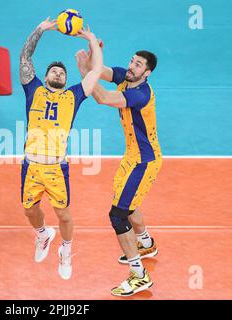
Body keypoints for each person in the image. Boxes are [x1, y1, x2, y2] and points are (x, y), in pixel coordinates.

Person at [19, 17, 103, 280]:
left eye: (62, 72)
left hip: (56, 166)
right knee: (29, 210)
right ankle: (43, 235)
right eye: (54, 71)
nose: (58, 73)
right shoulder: (33, 90)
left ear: (66, 80)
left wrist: (91, 40)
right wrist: (40, 29)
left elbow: (96, 71)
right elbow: (25, 58)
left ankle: (66, 250)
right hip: (31, 164)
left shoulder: (73, 96)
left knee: (64, 215)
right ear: (44, 78)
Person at [76, 46, 162, 296]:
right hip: (132, 156)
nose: (132, 67)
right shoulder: (126, 77)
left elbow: (103, 98)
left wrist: (84, 72)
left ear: (147, 73)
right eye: (132, 61)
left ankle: (139, 275)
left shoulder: (140, 95)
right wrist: (92, 56)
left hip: (144, 162)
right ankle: (146, 244)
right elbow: (99, 71)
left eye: (138, 65)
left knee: (118, 215)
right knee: (126, 202)